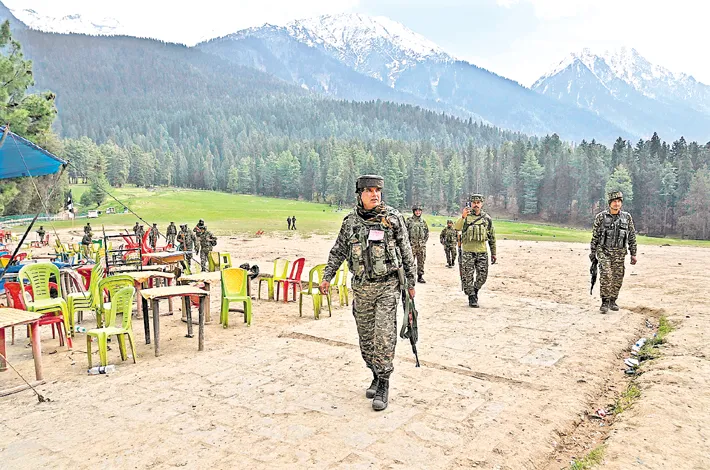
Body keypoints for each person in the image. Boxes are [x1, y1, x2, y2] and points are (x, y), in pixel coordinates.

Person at [320, 174, 416, 412]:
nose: (374, 195)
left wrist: (411, 283)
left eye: (377, 190)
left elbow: (406, 251)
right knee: (366, 339)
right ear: (360, 194)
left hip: (387, 287)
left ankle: (384, 382)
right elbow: (338, 251)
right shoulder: (350, 222)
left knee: (384, 336)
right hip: (362, 289)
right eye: (369, 191)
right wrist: (327, 276)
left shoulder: (392, 219)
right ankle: (374, 373)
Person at [590, 191, 638, 313]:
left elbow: (632, 236)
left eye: (619, 201)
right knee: (606, 274)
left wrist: (633, 254)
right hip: (604, 251)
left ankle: (613, 300)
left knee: (617, 277)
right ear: (610, 203)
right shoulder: (601, 217)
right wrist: (593, 252)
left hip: (619, 253)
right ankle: (604, 301)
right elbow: (595, 236)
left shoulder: (627, 217)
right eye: (614, 201)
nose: (617, 204)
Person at [454, 194, 497, 308]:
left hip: (482, 251)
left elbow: (492, 237)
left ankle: (475, 290)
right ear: (471, 204)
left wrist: (493, 253)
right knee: (467, 276)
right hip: (468, 252)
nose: (476, 205)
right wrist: (463, 217)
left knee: (482, 276)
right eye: (474, 203)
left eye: (478, 203)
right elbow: (457, 228)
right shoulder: (466, 217)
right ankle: (471, 296)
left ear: (481, 204)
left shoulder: (486, 218)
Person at [406, 205, 429, 283]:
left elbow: (426, 233)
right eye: (416, 211)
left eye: (419, 211)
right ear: (414, 211)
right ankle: (410, 277)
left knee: (421, 261)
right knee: (410, 262)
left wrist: (423, 242)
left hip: (421, 246)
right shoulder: (409, 221)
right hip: (411, 245)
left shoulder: (423, 222)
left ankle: (420, 276)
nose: (418, 212)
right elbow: (405, 232)